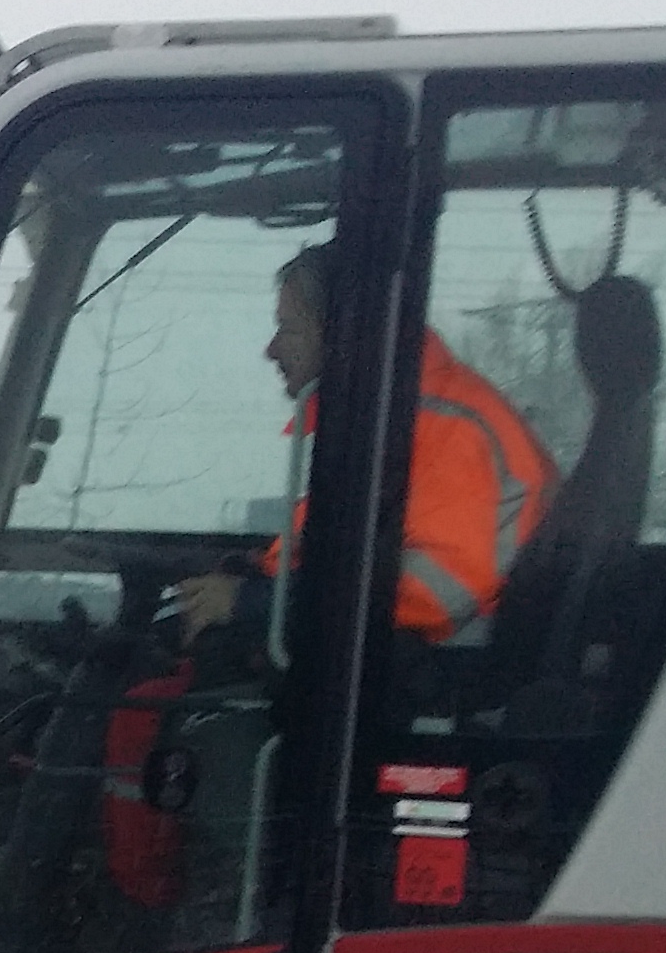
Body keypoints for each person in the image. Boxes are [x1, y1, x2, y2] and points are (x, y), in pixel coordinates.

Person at [174, 245, 557, 652]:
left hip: (440, 676)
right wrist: (252, 575)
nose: (271, 349)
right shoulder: (376, 420)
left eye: (288, 329)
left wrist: (258, 601)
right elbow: (336, 551)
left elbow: (437, 593)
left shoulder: (444, 428)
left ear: (341, 333)